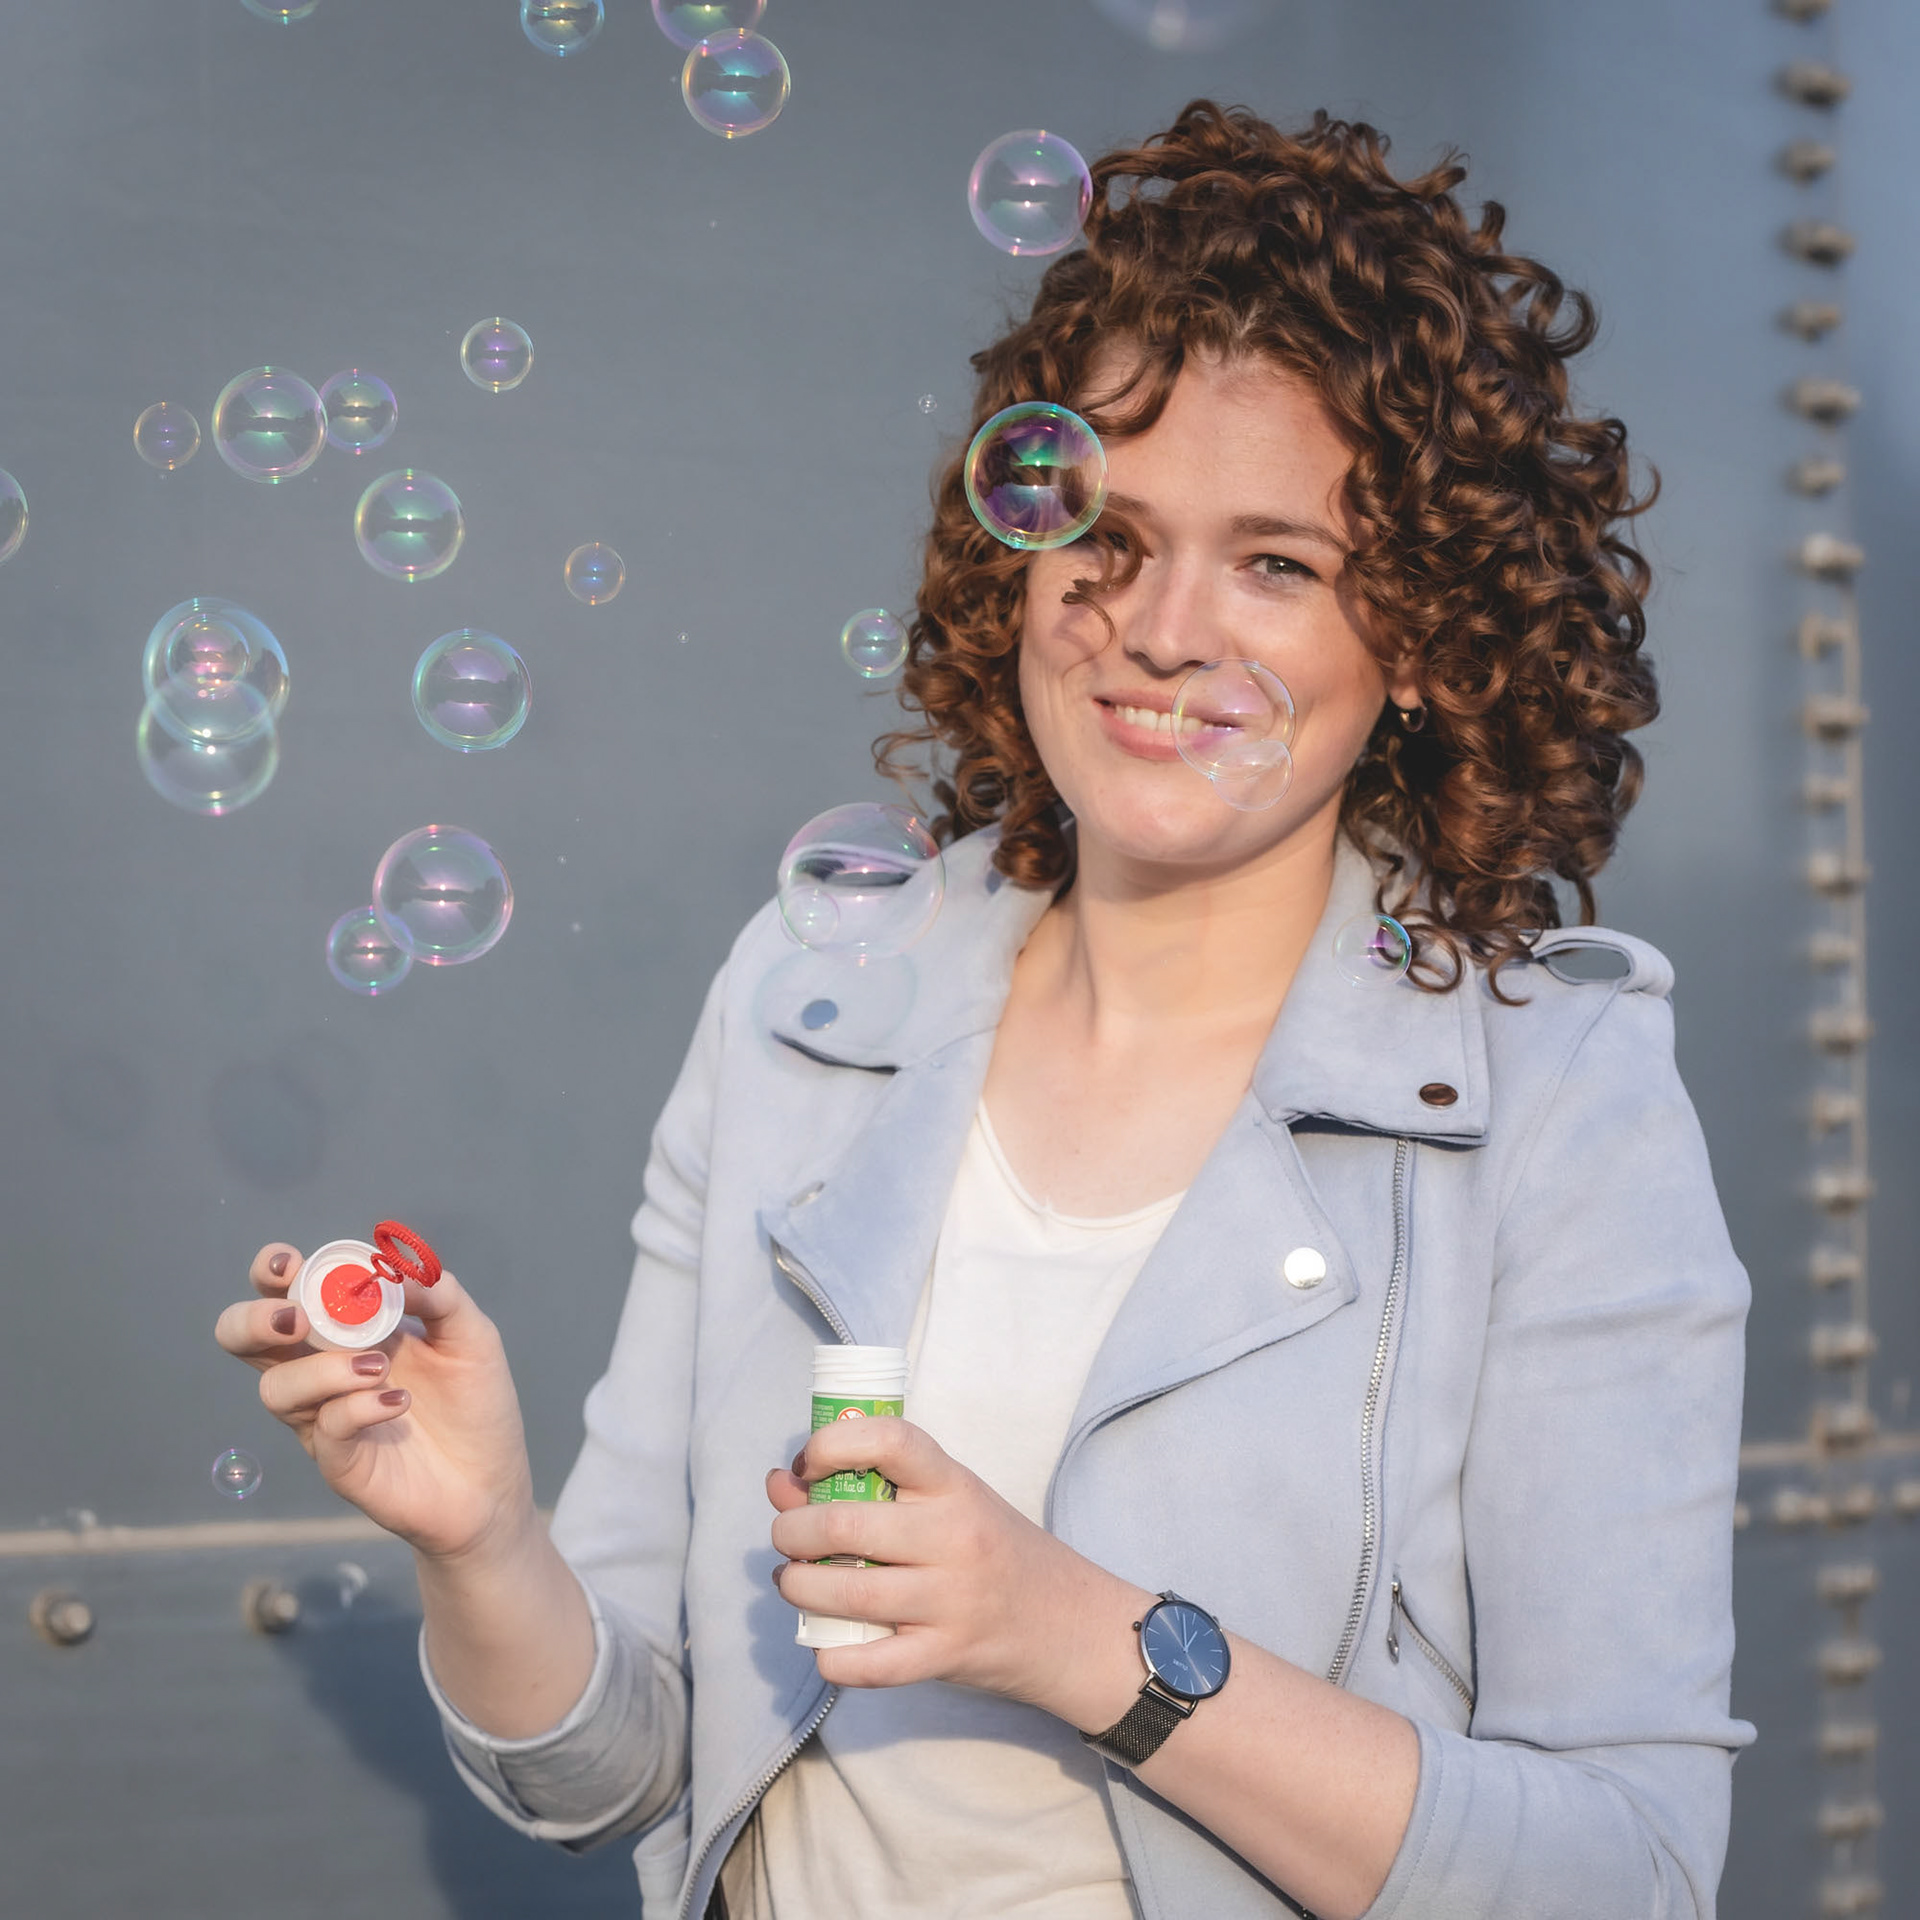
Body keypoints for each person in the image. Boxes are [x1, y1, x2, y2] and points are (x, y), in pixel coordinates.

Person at [216, 101, 1753, 1920]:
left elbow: (1631, 1872)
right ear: (1017, 546)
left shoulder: (1556, 1098)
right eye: (1110, 531)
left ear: (1417, 638)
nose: (1163, 628)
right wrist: (485, 1541)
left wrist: (1078, 1636)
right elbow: (613, 1775)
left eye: (1279, 562)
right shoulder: (807, 997)